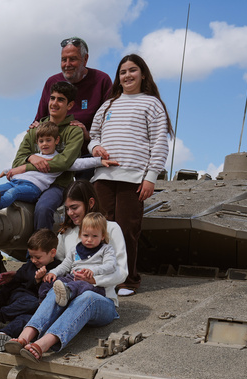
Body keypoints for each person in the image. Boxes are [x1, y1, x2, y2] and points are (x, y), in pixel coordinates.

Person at [4, 180, 128, 360]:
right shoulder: (66, 234)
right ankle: (24, 337)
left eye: (74, 207)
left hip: (102, 301)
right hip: (68, 298)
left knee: (87, 296)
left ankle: (42, 344)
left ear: (90, 203)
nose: (70, 213)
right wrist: (21, 274)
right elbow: (50, 259)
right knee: (58, 286)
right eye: (67, 208)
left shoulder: (110, 229)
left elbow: (122, 272)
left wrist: (94, 281)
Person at [89, 53, 172, 297]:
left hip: (134, 177)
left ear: (143, 74)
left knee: (126, 230)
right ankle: (105, 278)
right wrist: (94, 148)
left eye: (132, 70)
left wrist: (151, 177)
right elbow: (94, 135)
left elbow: (159, 143)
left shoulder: (152, 104)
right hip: (104, 177)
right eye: (123, 72)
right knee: (101, 230)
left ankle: (128, 280)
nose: (127, 75)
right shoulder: (109, 105)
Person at [0, 120, 115, 213]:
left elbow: (78, 163)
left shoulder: (59, 159)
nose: (44, 144)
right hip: (16, 181)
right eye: (41, 141)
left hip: (32, 188)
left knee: (13, 193)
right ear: (37, 143)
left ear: (56, 141)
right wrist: (7, 171)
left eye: (48, 140)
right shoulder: (35, 157)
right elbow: (21, 166)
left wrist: (99, 161)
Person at [11, 81, 86, 233]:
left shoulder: (74, 131)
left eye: (60, 99)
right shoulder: (35, 130)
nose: (54, 103)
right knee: (1, 199)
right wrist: (31, 157)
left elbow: (64, 162)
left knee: (43, 208)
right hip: (32, 182)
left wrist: (27, 165)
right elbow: (16, 163)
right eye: (52, 98)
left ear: (70, 105)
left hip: (58, 186)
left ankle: (40, 254)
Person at [32, 36, 113, 160]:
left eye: (73, 59)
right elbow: (40, 119)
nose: (67, 64)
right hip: (55, 155)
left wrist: (88, 135)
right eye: (64, 59)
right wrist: (34, 129)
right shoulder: (52, 82)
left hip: (88, 154)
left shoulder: (101, 80)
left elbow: (110, 123)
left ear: (85, 59)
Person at [0, 228, 58, 337]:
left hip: (34, 308)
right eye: (31, 256)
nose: (33, 260)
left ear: (52, 253)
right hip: (21, 299)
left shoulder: (58, 269)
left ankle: (3, 334)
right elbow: (10, 286)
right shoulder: (28, 267)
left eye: (37, 257)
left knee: (29, 318)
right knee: (33, 302)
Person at [47, 211, 117, 307]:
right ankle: (43, 300)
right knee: (55, 281)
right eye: (86, 235)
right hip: (73, 277)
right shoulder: (75, 250)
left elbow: (111, 266)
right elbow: (65, 265)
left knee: (79, 285)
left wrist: (93, 271)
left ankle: (68, 294)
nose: (89, 239)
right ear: (80, 234)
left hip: (91, 283)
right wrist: (53, 272)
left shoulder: (106, 249)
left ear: (102, 236)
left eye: (95, 236)